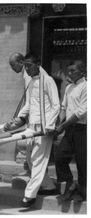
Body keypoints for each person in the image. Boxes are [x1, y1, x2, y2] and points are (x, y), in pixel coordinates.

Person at [9, 53, 60, 208]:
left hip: (44, 128)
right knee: (31, 159)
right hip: (32, 126)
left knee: (38, 160)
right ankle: (49, 187)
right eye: (25, 66)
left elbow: (56, 105)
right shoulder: (31, 82)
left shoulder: (48, 81)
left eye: (29, 65)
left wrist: (50, 126)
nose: (27, 68)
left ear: (38, 64)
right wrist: (18, 119)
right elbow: (29, 104)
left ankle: (29, 196)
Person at [54, 60, 87, 202]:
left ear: (82, 71)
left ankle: (83, 191)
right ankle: (70, 184)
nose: (70, 73)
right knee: (60, 157)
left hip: (83, 129)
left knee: (82, 162)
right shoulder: (68, 88)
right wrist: (58, 123)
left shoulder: (86, 87)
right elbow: (63, 108)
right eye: (69, 70)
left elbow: (81, 112)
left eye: (73, 70)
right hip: (69, 129)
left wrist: (63, 126)